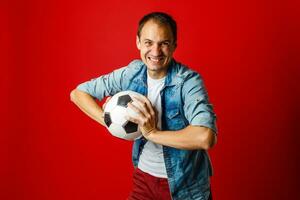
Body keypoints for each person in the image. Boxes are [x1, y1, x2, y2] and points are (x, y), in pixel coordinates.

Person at [70, 12, 217, 200]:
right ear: (138, 43)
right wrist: (111, 120)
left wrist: (152, 133)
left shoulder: (188, 82)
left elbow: (205, 137)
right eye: (148, 43)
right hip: (144, 180)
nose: (155, 52)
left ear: (174, 46)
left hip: (185, 187)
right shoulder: (132, 73)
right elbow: (78, 94)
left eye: (164, 43)